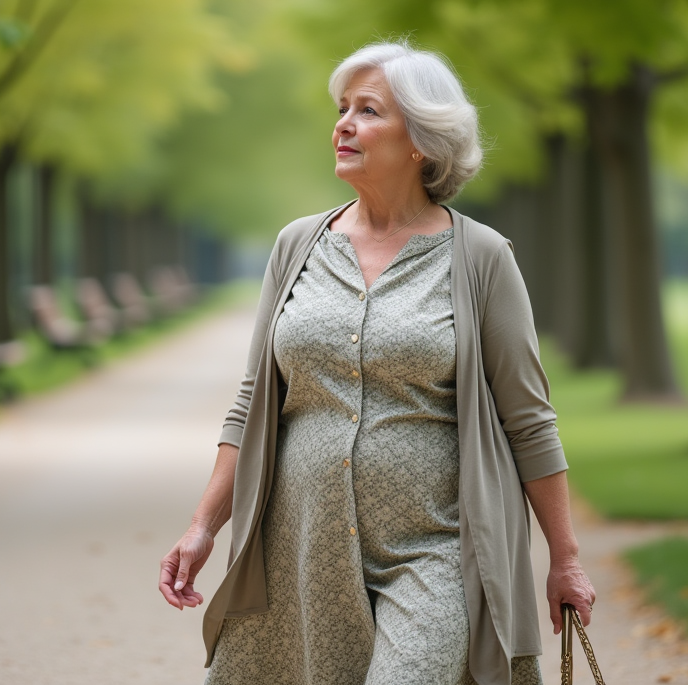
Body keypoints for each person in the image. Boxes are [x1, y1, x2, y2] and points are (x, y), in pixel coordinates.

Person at [159, 40, 595, 685]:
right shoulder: (297, 246)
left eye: (368, 110)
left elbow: (529, 421)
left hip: (439, 547)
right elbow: (254, 403)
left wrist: (566, 558)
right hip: (302, 546)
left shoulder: (480, 258)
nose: (343, 124)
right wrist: (202, 528)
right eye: (342, 108)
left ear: (422, 139)